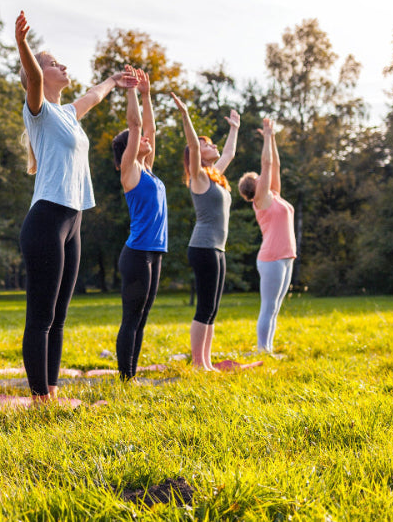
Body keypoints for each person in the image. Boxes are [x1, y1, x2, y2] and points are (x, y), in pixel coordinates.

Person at [14, 11, 137, 401]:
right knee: (41, 317)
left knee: (60, 317)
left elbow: (93, 96)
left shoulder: (68, 115)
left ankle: (51, 390)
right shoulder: (39, 111)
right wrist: (24, 47)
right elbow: (33, 77)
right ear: (38, 73)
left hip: (73, 220)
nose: (62, 66)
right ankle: (39, 401)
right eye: (54, 63)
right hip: (47, 219)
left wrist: (116, 81)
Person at [170, 94, 240, 371]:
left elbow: (229, 154)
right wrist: (186, 115)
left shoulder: (216, 176)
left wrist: (234, 128)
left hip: (217, 248)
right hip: (203, 247)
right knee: (204, 306)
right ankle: (199, 364)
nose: (212, 145)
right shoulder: (198, 178)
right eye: (204, 144)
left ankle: (207, 362)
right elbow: (192, 146)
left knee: (212, 307)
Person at [110, 70, 166, 381]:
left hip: (154, 253)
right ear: (128, 149)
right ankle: (125, 378)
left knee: (142, 318)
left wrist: (146, 94)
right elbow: (136, 127)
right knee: (131, 318)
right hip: (137, 255)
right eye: (138, 140)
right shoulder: (130, 172)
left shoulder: (150, 171)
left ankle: (132, 375)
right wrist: (130, 91)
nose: (145, 139)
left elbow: (150, 129)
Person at [238, 118, 296, 357]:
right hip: (271, 258)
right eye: (261, 177)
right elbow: (267, 163)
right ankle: (263, 350)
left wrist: (272, 137)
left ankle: (268, 349)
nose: (266, 177)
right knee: (268, 306)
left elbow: (276, 165)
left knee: (275, 308)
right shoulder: (261, 201)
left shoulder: (275, 195)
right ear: (256, 186)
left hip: (285, 256)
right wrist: (265, 138)